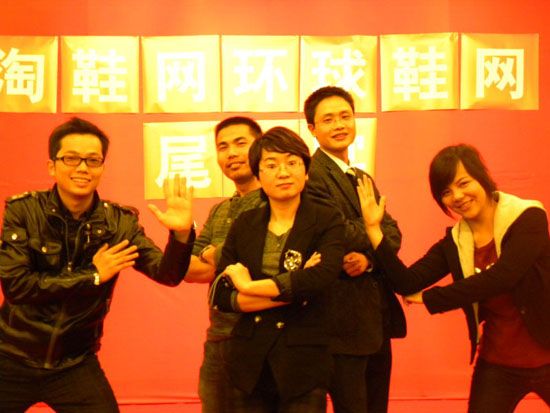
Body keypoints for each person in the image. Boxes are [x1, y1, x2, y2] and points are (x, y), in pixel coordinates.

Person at [0, 117, 195, 413]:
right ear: (52, 166)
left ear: (102, 167)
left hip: (74, 363)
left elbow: (166, 274)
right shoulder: (23, 211)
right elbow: (16, 287)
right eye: (71, 158)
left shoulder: (118, 222)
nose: (83, 168)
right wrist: (92, 276)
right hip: (10, 357)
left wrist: (181, 235)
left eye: (93, 160)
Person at [357, 143, 550, 412]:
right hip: (498, 363)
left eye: (463, 183)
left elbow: (504, 277)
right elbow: (406, 282)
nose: (457, 196)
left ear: (481, 177)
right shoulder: (456, 242)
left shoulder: (527, 217)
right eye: (446, 192)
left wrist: (432, 298)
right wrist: (374, 230)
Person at [209, 126, 345, 411]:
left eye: (292, 163)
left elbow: (320, 279)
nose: (283, 172)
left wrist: (248, 287)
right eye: (271, 165)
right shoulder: (245, 224)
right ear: (259, 176)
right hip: (249, 363)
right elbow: (221, 295)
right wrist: (295, 285)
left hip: (303, 362)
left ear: (306, 172)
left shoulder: (326, 219)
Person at [304, 86, 406, 413]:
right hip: (340, 320)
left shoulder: (361, 177)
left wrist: (369, 259)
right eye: (328, 119)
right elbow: (336, 231)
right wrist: (373, 231)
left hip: (375, 318)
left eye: (345, 116)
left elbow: (392, 232)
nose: (339, 125)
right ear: (312, 129)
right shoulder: (311, 175)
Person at [182, 116, 267, 412]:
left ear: (260, 147)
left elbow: (260, 264)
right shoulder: (220, 210)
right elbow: (190, 270)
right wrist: (217, 257)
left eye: (240, 143)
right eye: (222, 147)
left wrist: (215, 256)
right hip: (219, 338)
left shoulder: (275, 202)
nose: (231, 153)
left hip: (262, 339)